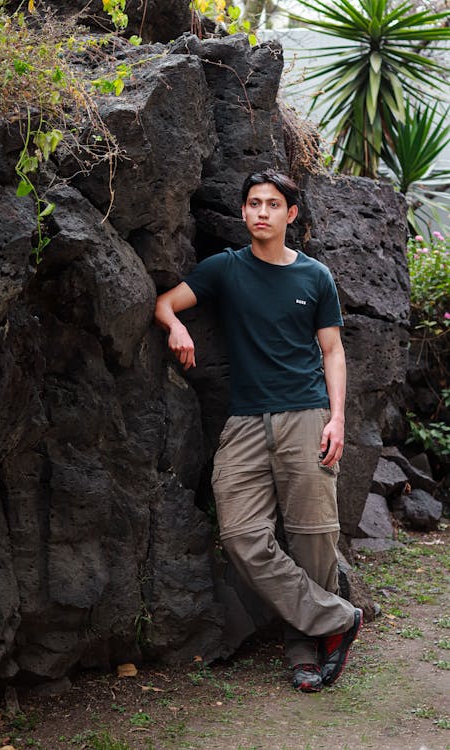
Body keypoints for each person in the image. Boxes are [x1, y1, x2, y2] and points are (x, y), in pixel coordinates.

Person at [154, 169, 362, 692]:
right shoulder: (225, 268)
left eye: (272, 204)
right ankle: (338, 618)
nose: (261, 212)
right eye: (253, 203)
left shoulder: (315, 276)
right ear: (243, 212)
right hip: (246, 420)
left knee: (314, 539)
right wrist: (176, 325)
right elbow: (165, 303)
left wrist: (337, 418)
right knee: (242, 535)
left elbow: (333, 351)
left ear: (291, 215)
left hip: (308, 414)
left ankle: (304, 649)